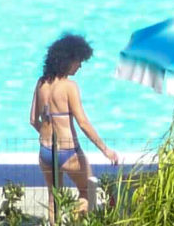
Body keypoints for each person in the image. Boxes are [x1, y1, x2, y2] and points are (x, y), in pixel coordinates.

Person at [33, 34, 117, 216]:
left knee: (53, 197)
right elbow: (83, 123)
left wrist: (48, 135)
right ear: (68, 60)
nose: (80, 65)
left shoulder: (41, 83)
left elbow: (33, 120)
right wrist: (105, 149)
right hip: (68, 151)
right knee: (88, 191)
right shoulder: (69, 86)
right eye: (78, 61)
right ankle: (77, 220)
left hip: (45, 151)